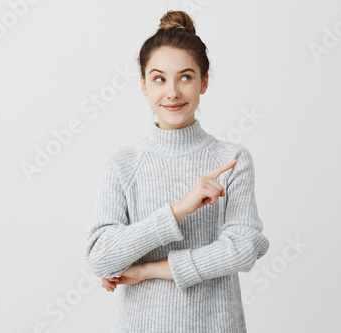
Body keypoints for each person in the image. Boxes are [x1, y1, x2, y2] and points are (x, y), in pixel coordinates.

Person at [84, 10, 270, 332]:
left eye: (185, 77)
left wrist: (149, 270)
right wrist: (181, 208)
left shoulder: (232, 159)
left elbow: (242, 250)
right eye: (159, 78)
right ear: (143, 84)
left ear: (204, 82)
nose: (172, 92)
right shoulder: (122, 163)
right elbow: (101, 259)